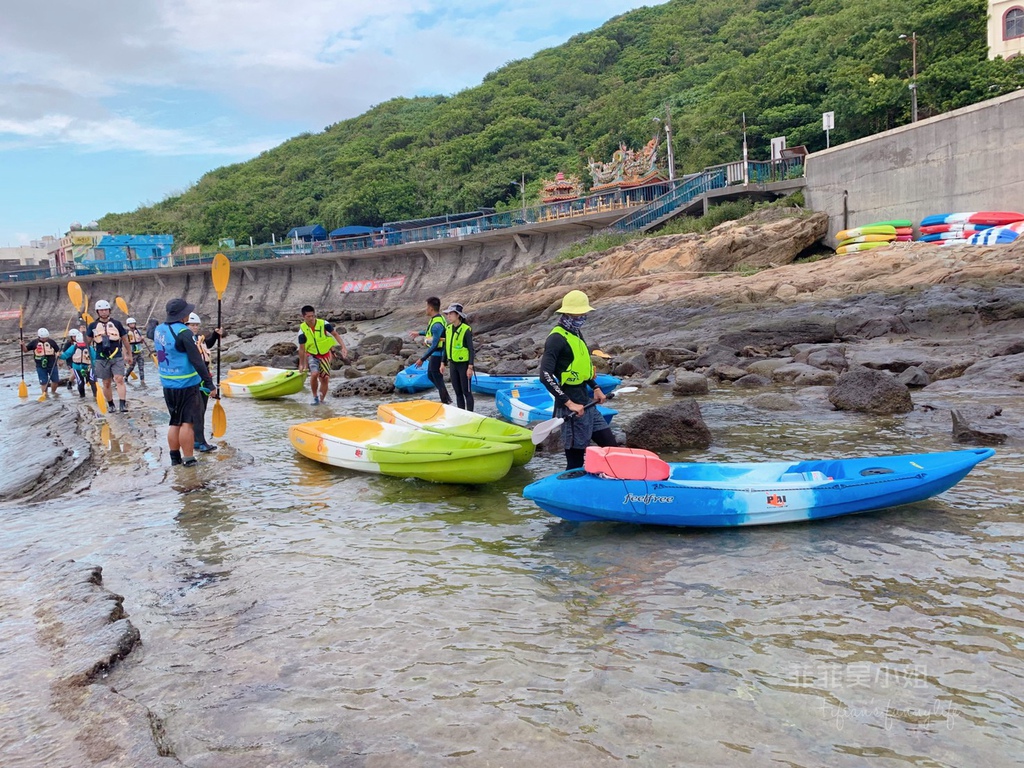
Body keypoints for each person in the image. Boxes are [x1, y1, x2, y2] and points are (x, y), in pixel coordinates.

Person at [538, 290, 617, 470]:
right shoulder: (556, 338)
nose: (583, 316)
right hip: (571, 410)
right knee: (575, 462)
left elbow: (581, 369)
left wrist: (595, 387)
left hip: (587, 403)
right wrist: (569, 403)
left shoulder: (576, 333)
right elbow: (545, 375)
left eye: (584, 313)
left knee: (611, 447)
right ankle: (567, 493)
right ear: (567, 313)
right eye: (579, 313)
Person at [154, 298, 217, 467]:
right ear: (183, 315)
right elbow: (197, 361)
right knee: (187, 423)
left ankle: (175, 458)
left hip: (167, 385)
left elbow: (149, 332)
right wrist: (210, 384)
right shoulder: (184, 333)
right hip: (186, 385)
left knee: (175, 421)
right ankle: (189, 459)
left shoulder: (158, 330)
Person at [86, 299, 133, 412]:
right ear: (97, 312)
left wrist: (129, 354)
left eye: (105, 310)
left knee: (119, 379)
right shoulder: (93, 325)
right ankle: (111, 404)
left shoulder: (116, 324)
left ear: (109, 311)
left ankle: (122, 404)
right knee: (106, 382)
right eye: (101, 310)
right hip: (101, 357)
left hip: (116, 355)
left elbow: (125, 340)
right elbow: (87, 343)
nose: (103, 312)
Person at [186, 312, 223, 453]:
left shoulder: (197, 339)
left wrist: (215, 334)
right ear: (186, 325)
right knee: (197, 411)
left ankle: (197, 440)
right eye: (192, 325)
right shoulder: (186, 340)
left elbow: (208, 344)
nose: (195, 327)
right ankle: (200, 442)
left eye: (196, 325)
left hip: (204, 377)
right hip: (195, 379)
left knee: (201, 410)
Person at [297, 305, 348, 405]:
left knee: (325, 378)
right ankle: (315, 396)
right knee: (314, 374)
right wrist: (301, 364)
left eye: (313, 316)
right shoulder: (302, 330)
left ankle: (321, 400)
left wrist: (343, 347)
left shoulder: (324, 324)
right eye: (308, 317)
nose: (311, 318)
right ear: (303, 317)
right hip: (312, 354)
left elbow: (335, 334)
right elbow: (302, 349)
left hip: (325, 354)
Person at [413, 296, 451, 404]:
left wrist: (422, 359)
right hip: (435, 354)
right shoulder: (436, 319)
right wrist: (419, 333)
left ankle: (446, 402)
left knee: (438, 379)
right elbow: (431, 333)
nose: (426, 309)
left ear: (430, 308)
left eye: (426, 307)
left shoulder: (437, 324)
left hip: (438, 354)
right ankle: (447, 398)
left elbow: (434, 344)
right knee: (431, 375)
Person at [439, 302, 474, 412]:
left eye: (450, 314)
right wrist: (442, 363)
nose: (448, 316)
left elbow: (471, 349)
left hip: (464, 365)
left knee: (466, 392)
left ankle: (471, 415)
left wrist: (470, 367)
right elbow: (446, 346)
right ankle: (462, 414)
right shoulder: (448, 329)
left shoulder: (465, 329)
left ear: (458, 315)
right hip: (453, 364)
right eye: (447, 314)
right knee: (458, 392)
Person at [22, 327, 61, 397]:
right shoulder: (34, 343)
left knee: (55, 381)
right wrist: (23, 345)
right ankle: (45, 395)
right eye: (43, 338)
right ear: (39, 337)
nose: (45, 339)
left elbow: (58, 350)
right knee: (44, 382)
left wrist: (59, 358)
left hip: (52, 364)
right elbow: (25, 350)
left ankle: (53, 393)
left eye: (46, 338)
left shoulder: (51, 342)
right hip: (40, 366)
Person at [59, 330, 97, 398]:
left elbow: (94, 358)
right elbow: (66, 355)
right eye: (80, 344)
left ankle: (96, 396)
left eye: (83, 344)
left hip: (88, 367)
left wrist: (93, 364)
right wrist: (60, 355)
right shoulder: (73, 347)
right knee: (80, 382)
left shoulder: (90, 348)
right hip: (77, 367)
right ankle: (82, 397)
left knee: (92, 381)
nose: (81, 346)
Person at [123, 317, 148, 386]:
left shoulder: (138, 332)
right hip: (132, 352)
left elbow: (142, 342)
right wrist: (126, 355)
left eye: (133, 323)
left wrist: (142, 339)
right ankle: (126, 377)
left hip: (140, 351)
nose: (132, 325)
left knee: (141, 367)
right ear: (128, 325)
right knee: (131, 367)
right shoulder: (126, 333)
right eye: (131, 324)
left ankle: (142, 381)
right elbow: (125, 345)